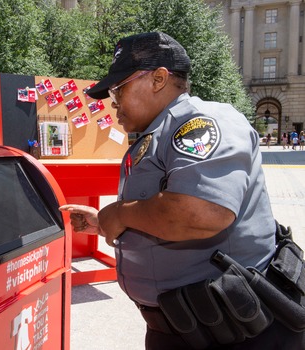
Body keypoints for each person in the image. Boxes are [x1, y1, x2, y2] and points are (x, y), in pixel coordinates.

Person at [60, 32, 304, 349]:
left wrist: (121, 213)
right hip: (187, 327)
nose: (113, 102)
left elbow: (201, 213)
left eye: (119, 89)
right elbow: (158, 209)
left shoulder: (201, 122)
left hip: (238, 330)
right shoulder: (160, 131)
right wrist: (105, 220)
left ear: (159, 78)